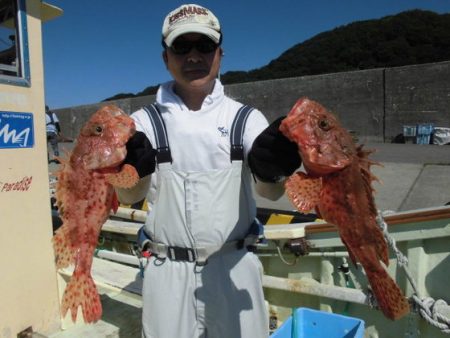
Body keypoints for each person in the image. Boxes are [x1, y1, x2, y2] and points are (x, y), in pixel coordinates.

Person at [117, 4, 301, 338]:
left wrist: (274, 168)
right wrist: (135, 172)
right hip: (165, 270)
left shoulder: (245, 119)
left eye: (203, 46)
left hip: (233, 266)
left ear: (219, 54)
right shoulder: (142, 122)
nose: (193, 56)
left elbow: (270, 192)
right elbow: (130, 195)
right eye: (181, 47)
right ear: (166, 58)